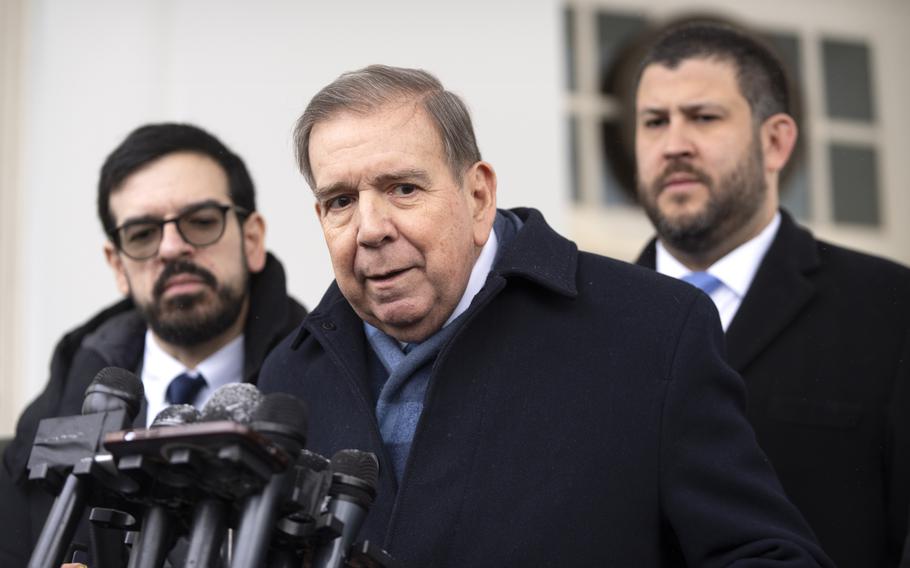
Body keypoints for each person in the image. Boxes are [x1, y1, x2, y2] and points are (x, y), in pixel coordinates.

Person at [258, 64, 833, 566]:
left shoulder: (654, 332)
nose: (372, 228)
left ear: (479, 196)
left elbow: (766, 554)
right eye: (341, 201)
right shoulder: (288, 379)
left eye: (404, 188)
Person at [632, 21, 910, 568]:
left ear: (776, 140)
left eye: (704, 117)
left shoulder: (893, 309)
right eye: (654, 122)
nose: (674, 145)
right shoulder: (584, 319)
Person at [0, 123, 307, 565]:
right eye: (142, 234)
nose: (171, 248)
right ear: (118, 265)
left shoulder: (326, 389)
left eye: (201, 222)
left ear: (252, 239)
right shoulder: (55, 410)